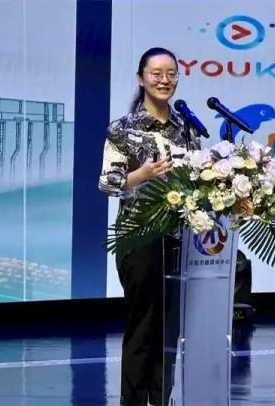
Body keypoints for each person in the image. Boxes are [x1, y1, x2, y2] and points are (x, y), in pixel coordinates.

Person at [98, 47, 201, 406]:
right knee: (144, 323)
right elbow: (108, 183)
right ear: (141, 78)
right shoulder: (122, 129)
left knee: (170, 328)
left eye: (171, 73)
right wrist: (141, 175)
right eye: (156, 73)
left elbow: (198, 177)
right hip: (138, 237)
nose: (164, 80)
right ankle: (133, 400)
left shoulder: (187, 127)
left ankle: (161, 398)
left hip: (178, 237)